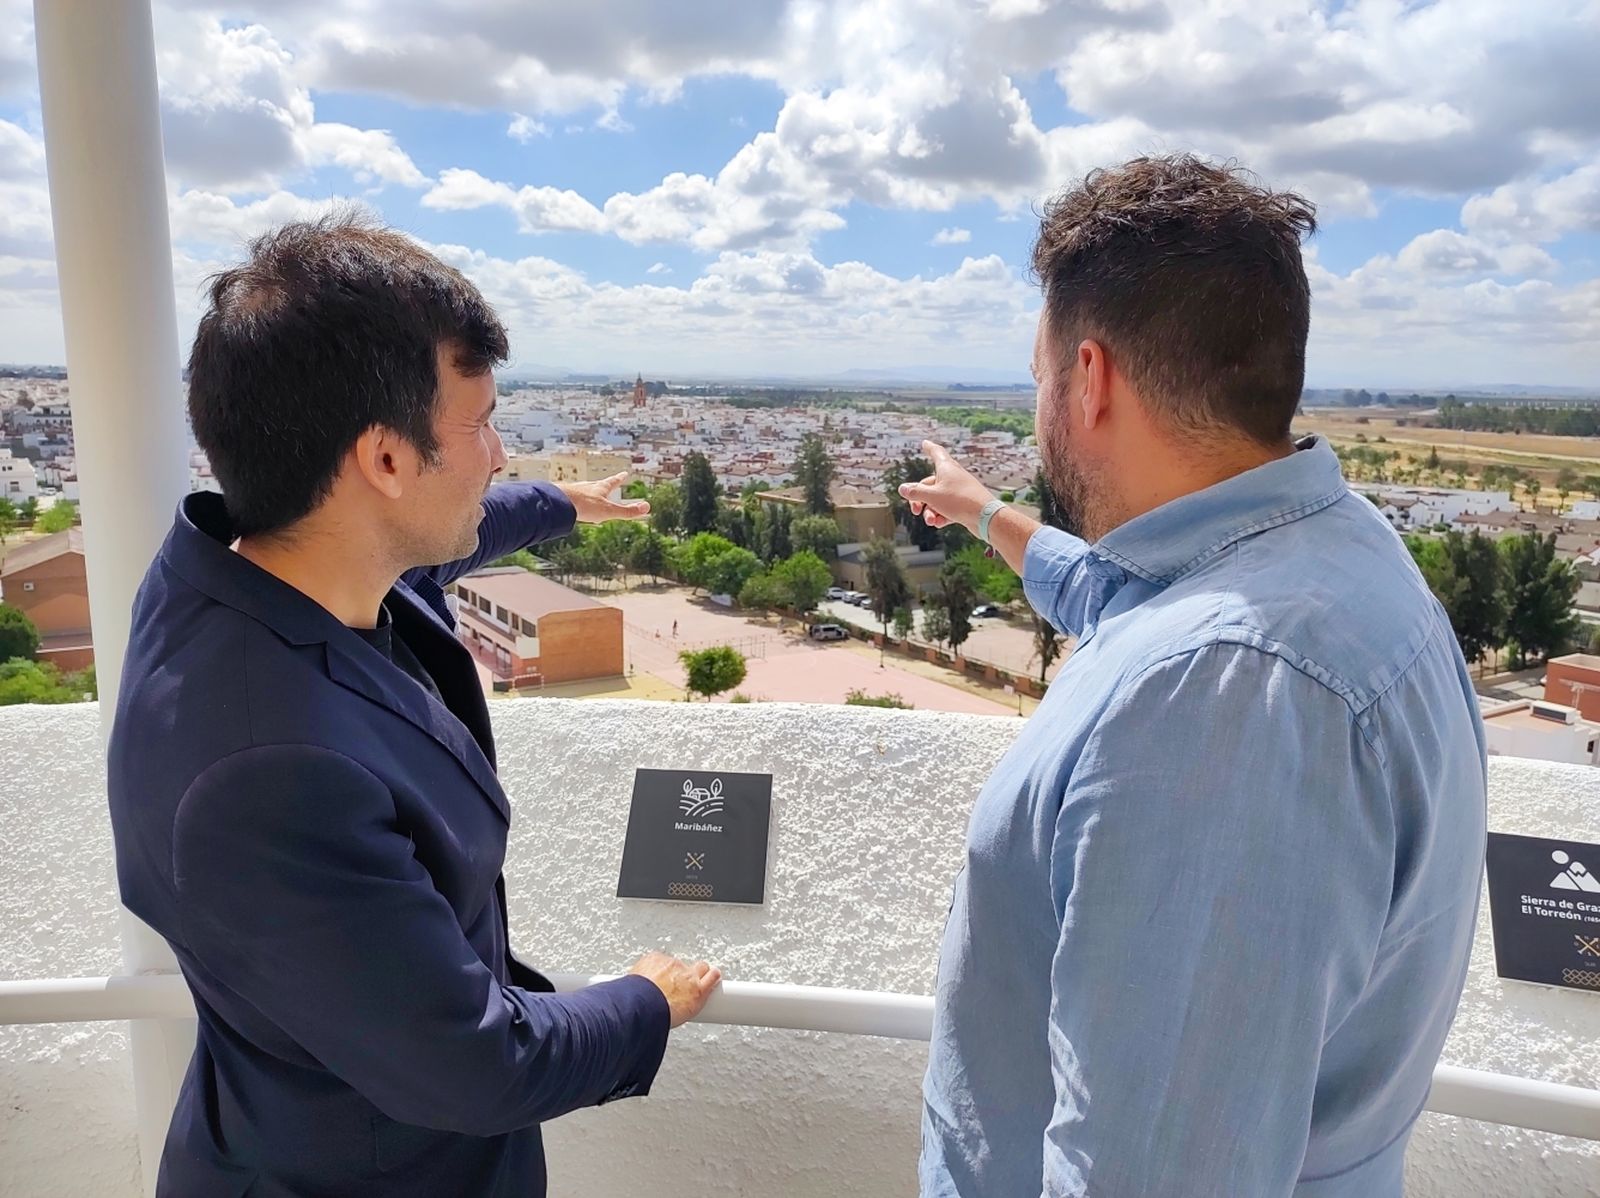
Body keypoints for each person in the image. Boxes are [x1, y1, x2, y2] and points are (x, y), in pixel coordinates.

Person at [904, 155, 1486, 1196]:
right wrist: (981, 509)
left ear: (1089, 380)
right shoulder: (1318, 550)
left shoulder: (1219, 695)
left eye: (1039, 377)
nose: (1040, 404)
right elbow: (1118, 599)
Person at [107, 214, 721, 1197]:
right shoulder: (271, 768)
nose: (497, 452)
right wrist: (644, 1003)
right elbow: (479, 1064)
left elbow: (438, 552)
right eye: (478, 423)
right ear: (386, 461)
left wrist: (563, 504)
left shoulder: (228, 582)